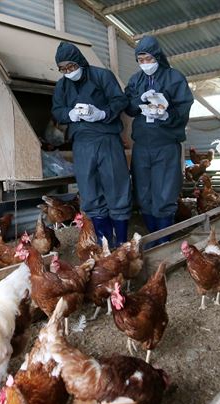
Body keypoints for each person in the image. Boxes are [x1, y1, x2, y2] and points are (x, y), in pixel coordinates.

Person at [51, 41, 132, 246]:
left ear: (80, 62)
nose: (68, 72)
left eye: (71, 67)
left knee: (117, 187)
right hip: (82, 142)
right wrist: (70, 114)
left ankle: (121, 243)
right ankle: (104, 242)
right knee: (89, 191)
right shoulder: (62, 85)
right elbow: (57, 110)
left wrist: (102, 113)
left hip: (107, 138)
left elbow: (120, 100)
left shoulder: (102, 76)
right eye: (63, 69)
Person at [124, 35, 194, 247]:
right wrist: (140, 100)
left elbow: (184, 107)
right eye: (141, 60)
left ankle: (163, 239)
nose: (145, 64)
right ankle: (153, 235)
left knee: (165, 193)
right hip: (142, 144)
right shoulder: (136, 80)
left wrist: (167, 115)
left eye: (148, 59)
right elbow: (127, 106)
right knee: (143, 192)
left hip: (165, 143)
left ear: (157, 56)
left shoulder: (174, 77)